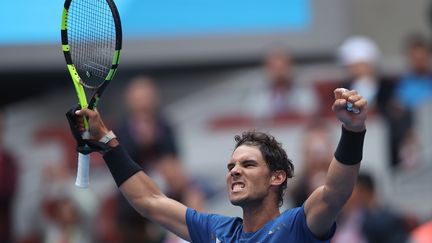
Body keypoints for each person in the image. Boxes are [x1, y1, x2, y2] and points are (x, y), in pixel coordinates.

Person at [69, 88, 368, 242]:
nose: (234, 170)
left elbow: (334, 192)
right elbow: (150, 200)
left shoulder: (297, 226)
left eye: (248, 164)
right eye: (231, 166)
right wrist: (105, 140)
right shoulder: (215, 231)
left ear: (277, 177)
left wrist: (353, 131)